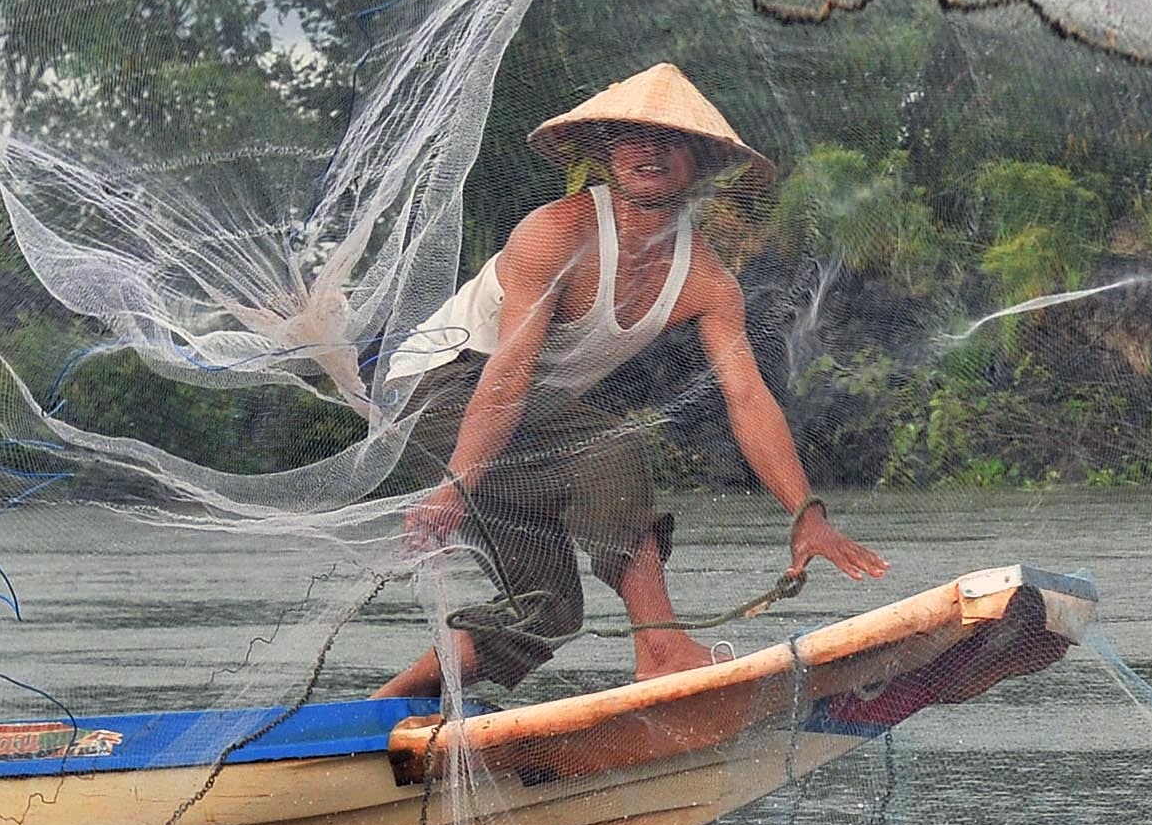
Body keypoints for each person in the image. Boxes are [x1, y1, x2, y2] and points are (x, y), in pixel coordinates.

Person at [374, 63, 887, 703]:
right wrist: (456, 486)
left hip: (520, 420)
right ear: (607, 154)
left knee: (545, 614)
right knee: (611, 446)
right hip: (438, 389)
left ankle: (380, 711)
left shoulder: (707, 282)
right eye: (630, 138)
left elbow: (748, 398)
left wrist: (806, 514)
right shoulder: (556, 234)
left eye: (670, 140)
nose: (648, 151)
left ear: (701, 162)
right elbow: (507, 374)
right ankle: (662, 650)